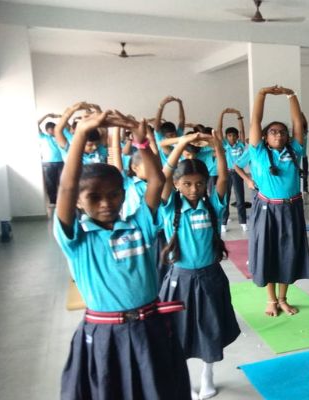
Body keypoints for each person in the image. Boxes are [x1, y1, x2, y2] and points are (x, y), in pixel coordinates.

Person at [54, 111, 190, 399]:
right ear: (77, 202)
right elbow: (66, 186)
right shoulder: (77, 239)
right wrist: (79, 134)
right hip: (106, 334)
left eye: (114, 194)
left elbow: (157, 182)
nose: (106, 202)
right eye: (94, 197)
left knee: (160, 391)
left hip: (150, 328)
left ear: (123, 193)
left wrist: (143, 142)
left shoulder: (139, 225)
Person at [158, 131, 241, 400]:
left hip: (210, 277)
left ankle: (207, 375)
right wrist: (181, 144)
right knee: (177, 331)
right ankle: (184, 379)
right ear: (177, 184)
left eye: (199, 183)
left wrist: (218, 147)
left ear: (206, 184)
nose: (194, 189)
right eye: (187, 184)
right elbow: (163, 176)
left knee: (210, 329)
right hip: (180, 279)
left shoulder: (212, 206)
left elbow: (224, 176)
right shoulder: (170, 207)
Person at [248, 85, 309, 316]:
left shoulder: (294, 150)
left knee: (288, 253)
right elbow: (256, 120)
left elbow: (297, 122)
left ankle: (283, 298)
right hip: (267, 209)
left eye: (282, 132)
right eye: (273, 132)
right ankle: (271, 300)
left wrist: (291, 95)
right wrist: (262, 94)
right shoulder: (258, 152)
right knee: (268, 253)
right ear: (265, 137)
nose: (278, 135)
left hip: (291, 208)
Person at [218, 108, 248, 232]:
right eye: (229, 135)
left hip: (237, 173)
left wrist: (238, 114)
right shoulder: (224, 145)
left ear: (237, 137)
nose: (232, 137)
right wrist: (222, 114)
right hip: (226, 173)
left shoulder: (240, 144)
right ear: (226, 137)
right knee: (225, 198)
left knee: (240, 198)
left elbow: (242, 130)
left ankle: (243, 222)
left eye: (234, 135)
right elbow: (219, 130)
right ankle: (223, 222)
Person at [37, 112, 64, 213]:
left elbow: (67, 127)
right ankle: (53, 201)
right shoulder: (44, 137)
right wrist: (46, 116)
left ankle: (63, 200)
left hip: (61, 162)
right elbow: (35, 124)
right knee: (50, 183)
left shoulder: (60, 136)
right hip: (48, 163)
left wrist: (61, 117)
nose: (53, 131)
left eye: (54, 129)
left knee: (63, 182)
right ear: (47, 130)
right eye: (51, 129)